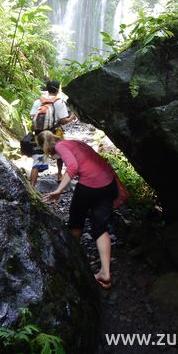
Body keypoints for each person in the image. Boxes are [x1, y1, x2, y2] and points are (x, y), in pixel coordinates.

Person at [39, 130, 118, 289]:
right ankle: (105, 273)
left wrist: (59, 189)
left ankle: (70, 261)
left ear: (46, 146)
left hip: (90, 185)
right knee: (100, 227)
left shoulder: (61, 146)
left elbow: (73, 166)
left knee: (75, 222)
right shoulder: (74, 142)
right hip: (108, 182)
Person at [29, 80, 76, 186]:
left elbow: (32, 117)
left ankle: (31, 186)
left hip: (39, 135)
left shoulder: (38, 101)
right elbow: (63, 120)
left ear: (47, 88)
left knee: (37, 160)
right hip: (54, 134)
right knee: (60, 154)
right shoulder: (59, 102)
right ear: (58, 89)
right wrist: (71, 118)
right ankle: (59, 175)